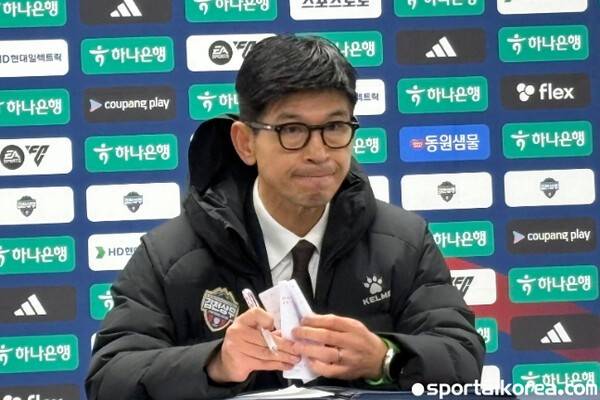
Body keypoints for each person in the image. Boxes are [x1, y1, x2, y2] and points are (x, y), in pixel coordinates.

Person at [86, 34, 485, 400]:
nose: (319, 153)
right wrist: (217, 363)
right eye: (292, 130)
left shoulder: (404, 242)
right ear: (246, 142)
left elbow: (462, 355)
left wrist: (384, 356)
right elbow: (109, 379)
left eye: (334, 127)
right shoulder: (169, 256)